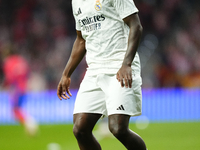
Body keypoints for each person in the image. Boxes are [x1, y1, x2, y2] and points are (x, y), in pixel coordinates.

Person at [57, 0, 147, 149]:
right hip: (94, 69)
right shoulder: (77, 2)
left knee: (118, 129)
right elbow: (81, 40)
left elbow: (136, 25)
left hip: (120, 64)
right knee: (80, 129)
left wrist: (126, 64)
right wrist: (66, 74)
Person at [2, 51, 38, 137]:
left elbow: (10, 78)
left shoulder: (9, 62)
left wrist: (6, 86)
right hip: (24, 88)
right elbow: (28, 74)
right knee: (18, 109)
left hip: (16, 89)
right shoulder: (21, 61)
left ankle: (30, 124)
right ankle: (29, 125)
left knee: (15, 110)